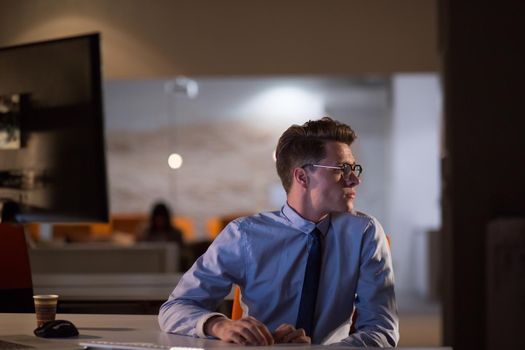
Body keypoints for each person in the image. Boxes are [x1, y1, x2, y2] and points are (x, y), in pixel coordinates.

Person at [158, 117, 398, 347]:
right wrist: (218, 325)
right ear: (302, 176)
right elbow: (176, 307)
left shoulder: (364, 234)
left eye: (353, 168)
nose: (354, 179)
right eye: (341, 169)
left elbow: (381, 330)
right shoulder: (244, 235)